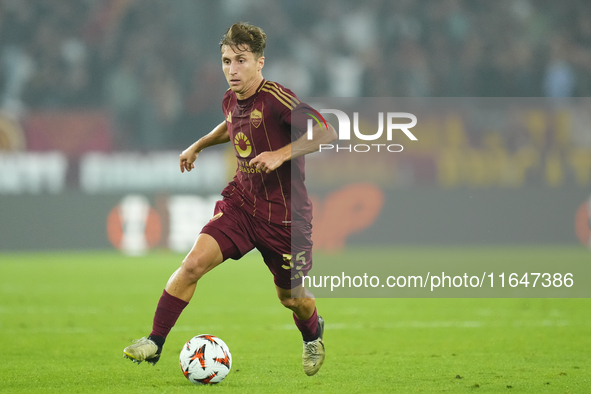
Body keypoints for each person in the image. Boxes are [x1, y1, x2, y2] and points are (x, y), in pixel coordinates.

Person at [123, 22, 337, 376]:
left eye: (240, 61)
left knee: (292, 299)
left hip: (285, 219)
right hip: (241, 204)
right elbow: (230, 124)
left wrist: (281, 154)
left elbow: (325, 130)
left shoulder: (277, 98)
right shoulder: (230, 98)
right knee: (192, 265)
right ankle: (155, 342)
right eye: (226, 61)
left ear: (260, 62)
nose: (232, 70)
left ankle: (313, 333)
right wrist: (199, 144)